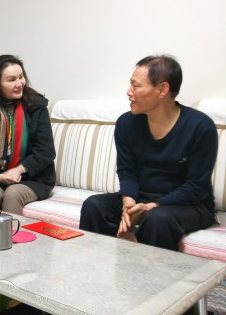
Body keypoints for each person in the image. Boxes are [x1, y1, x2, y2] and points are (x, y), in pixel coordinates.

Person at [79, 55, 217, 251]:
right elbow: (127, 171)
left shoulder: (200, 127)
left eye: (136, 86)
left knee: (157, 219)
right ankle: (93, 267)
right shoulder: (126, 124)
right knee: (94, 205)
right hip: (142, 198)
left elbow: (196, 187)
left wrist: (153, 205)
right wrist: (128, 201)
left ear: (162, 89)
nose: (129, 92)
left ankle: (148, 272)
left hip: (189, 205)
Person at [0, 54, 56, 215]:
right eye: (11, 80)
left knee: (12, 195)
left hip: (32, 177)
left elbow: (46, 151)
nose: (19, 83)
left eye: (21, 77)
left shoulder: (36, 105)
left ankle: (13, 233)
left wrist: (18, 170)